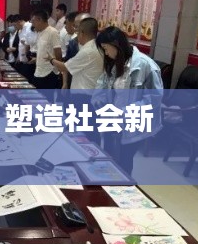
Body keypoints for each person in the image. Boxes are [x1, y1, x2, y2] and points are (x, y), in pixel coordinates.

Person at [93, 26, 163, 174]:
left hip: (132, 122)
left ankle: (123, 186)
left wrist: (124, 112)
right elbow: (104, 83)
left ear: (116, 44)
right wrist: (99, 99)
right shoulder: (115, 62)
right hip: (112, 119)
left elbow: (154, 100)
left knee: (124, 162)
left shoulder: (145, 65)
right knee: (109, 158)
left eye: (106, 49)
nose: (106, 53)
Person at [50, 18, 103, 90]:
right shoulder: (94, 46)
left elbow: (65, 67)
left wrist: (51, 59)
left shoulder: (88, 51)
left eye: (77, 31)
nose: (76, 34)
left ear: (82, 33)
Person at [31, 10, 62, 89]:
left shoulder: (53, 32)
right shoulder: (39, 32)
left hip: (49, 72)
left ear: (40, 20)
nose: (33, 25)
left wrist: (57, 69)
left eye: (34, 22)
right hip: (38, 71)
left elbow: (58, 52)